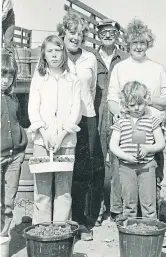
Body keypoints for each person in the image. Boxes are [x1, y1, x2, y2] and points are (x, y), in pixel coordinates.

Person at [107, 19, 166, 245]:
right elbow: (112, 99)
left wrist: (147, 101)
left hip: (151, 127)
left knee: (150, 180)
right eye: (134, 42)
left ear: (148, 43)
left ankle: (150, 227)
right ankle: (130, 227)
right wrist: (125, 114)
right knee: (128, 179)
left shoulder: (157, 69)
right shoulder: (120, 68)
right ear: (128, 43)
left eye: (142, 42)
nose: (138, 46)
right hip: (128, 129)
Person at [27, 35, 81, 225]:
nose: (54, 55)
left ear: (63, 52)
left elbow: (76, 109)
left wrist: (62, 134)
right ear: (44, 54)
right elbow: (33, 107)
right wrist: (43, 131)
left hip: (65, 142)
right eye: (50, 51)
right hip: (42, 141)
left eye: (58, 50)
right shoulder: (39, 78)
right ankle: (42, 232)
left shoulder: (72, 78)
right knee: (42, 190)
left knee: (63, 189)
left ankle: (60, 231)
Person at [57, 11, 98, 240]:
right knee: (61, 170)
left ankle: (80, 222)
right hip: (61, 121)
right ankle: (61, 222)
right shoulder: (54, 55)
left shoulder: (90, 58)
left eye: (80, 34)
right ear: (63, 33)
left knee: (82, 171)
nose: (76, 37)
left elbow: (90, 90)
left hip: (86, 118)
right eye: (72, 32)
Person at [90, 19, 129, 226]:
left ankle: (116, 209)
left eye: (112, 31)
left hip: (117, 116)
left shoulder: (124, 59)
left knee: (117, 164)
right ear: (98, 34)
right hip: (95, 116)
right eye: (104, 31)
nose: (107, 35)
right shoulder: (91, 58)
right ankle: (96, 210)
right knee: (96, 163)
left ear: (117, 35)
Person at [109, 81, 165, 219]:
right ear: (125, 105)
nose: (136, 108)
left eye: (139, 104)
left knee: (149, 202)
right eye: (132, 105)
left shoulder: (152, 120)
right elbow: (113, 145)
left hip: (147, 166)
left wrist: (148, 148)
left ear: (146, 101)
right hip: (126, 167)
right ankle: (131, 231)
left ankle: (149, 229)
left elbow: (161, 143)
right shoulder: (121, 122)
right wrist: (126, 157)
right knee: (129, 202)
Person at [1, 51, 28, 236]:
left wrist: (22, 143)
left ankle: (3, 236)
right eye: (3, 74)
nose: (6, 80)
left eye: (10, 76)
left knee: (9, 201)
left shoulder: (14, 99)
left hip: (14, 157)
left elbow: (21, 122)